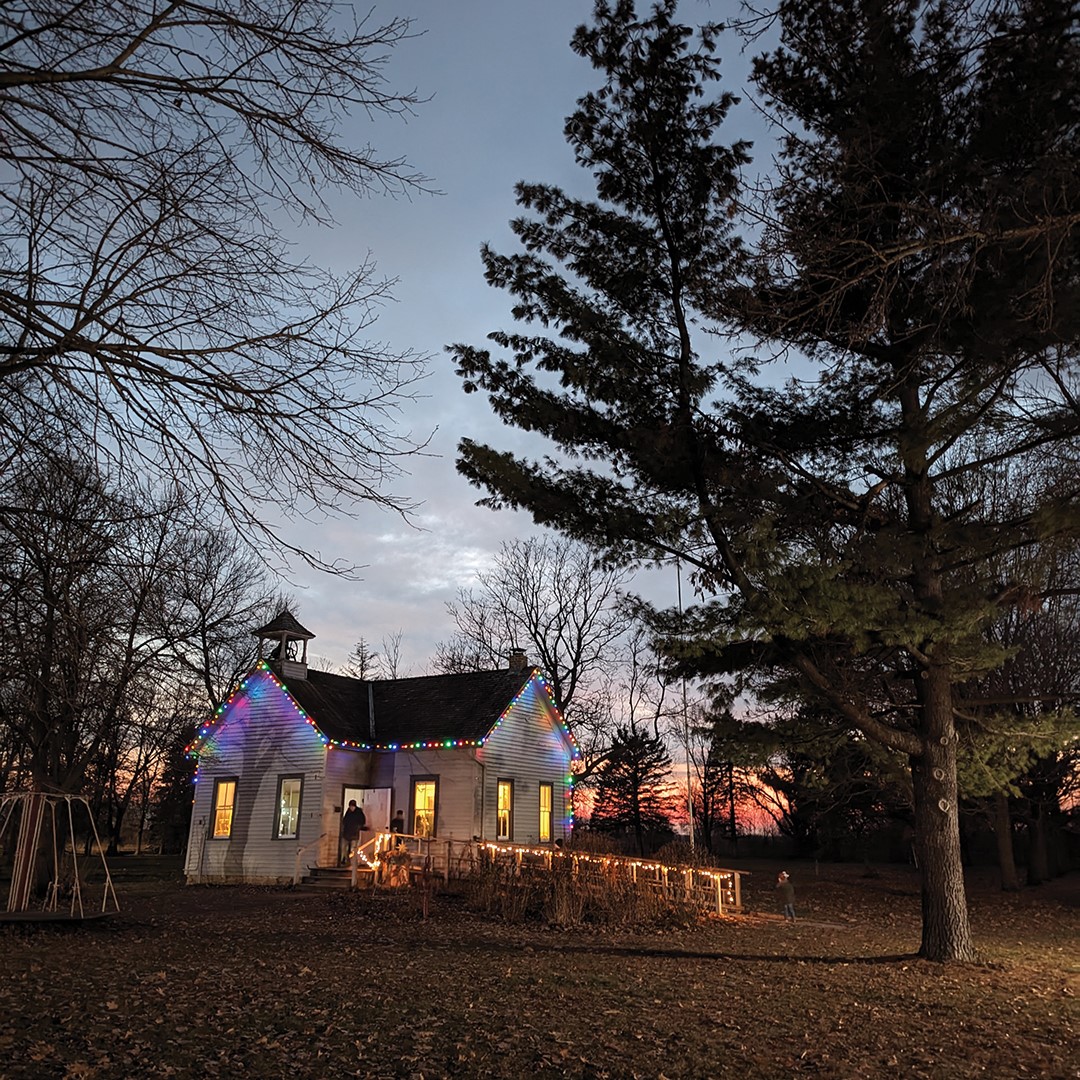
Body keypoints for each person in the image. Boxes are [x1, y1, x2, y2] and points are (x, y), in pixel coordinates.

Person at [340, 799, 366, 864]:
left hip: (354, 834)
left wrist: (358, 827)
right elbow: (345, 821)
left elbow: (362, 821)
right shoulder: (348, 812)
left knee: (353, 849)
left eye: (352, 806)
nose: (351, 808)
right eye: (350, 806)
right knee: (344, 848)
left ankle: (352, 861)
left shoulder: (359, 812)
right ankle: (345, 859)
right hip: (347, 833)